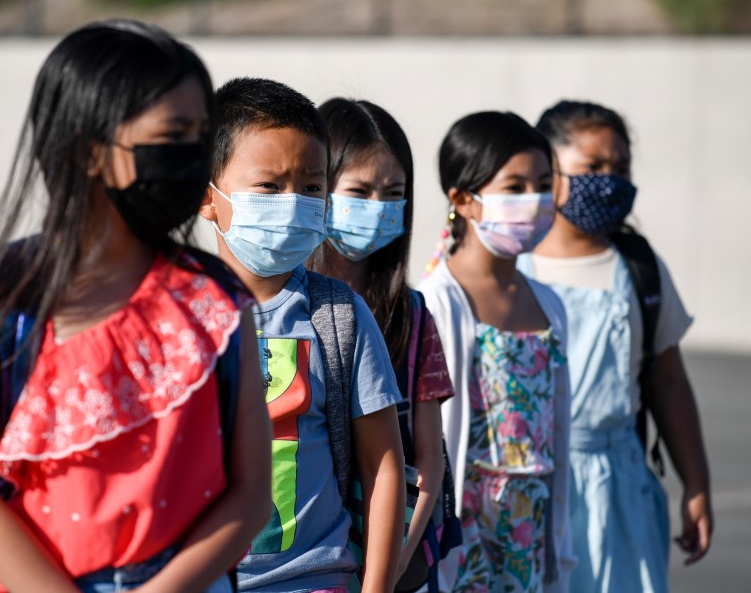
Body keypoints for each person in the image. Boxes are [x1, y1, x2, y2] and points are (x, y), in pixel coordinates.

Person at [0, 20, 272, 593]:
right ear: (88, 151)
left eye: (200, 136)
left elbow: (251, 494)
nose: (192, 155)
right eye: (172, 134)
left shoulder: (220, 303)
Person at [199, 77, 406, 593]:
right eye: (269, 187)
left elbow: (383, 466)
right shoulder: (174, 316)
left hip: (316, 579)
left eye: (311, 187)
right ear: (207, 198)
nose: (293, 203)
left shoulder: (340, 315)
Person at [517, 100, 713, 592]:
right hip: (526, 486)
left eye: (620, 167)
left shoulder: (639, 268)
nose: (609, 180)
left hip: (621, 484)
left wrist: (696, 483)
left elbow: (669, 381)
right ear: (548, 168)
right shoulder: (511, 266)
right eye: (592, 167)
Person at [419, 111, 575, 592]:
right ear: (464, 200)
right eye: (514, 187)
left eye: (543, 184)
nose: (534, 200)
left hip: (531, 533)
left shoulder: (548, 301)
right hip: (464, 536)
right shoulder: (437, 301)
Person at [306, 97, 455, 589]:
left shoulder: (412, 314)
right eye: (359, 190)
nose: (377, 209)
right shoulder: (282, 305)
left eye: (393, 193)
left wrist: (392, 562)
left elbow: (428, 456)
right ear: (318, 186)